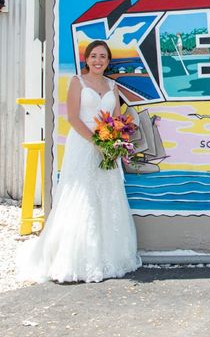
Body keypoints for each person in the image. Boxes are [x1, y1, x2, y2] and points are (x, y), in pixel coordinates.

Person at [17, 40, 141, 283]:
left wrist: (114, 142)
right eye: (94, 56)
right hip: (83, 145)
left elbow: (116, 118)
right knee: (82, 196)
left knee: (107, 196)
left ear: (108, 61)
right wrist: (96, 141)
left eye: (103, 57)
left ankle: (109, 256)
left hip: (107, 149)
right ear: (87, 60)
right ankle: (76, 257)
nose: (98, 60)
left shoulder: (112, 86)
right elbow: (73, 117)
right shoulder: (77, 82)